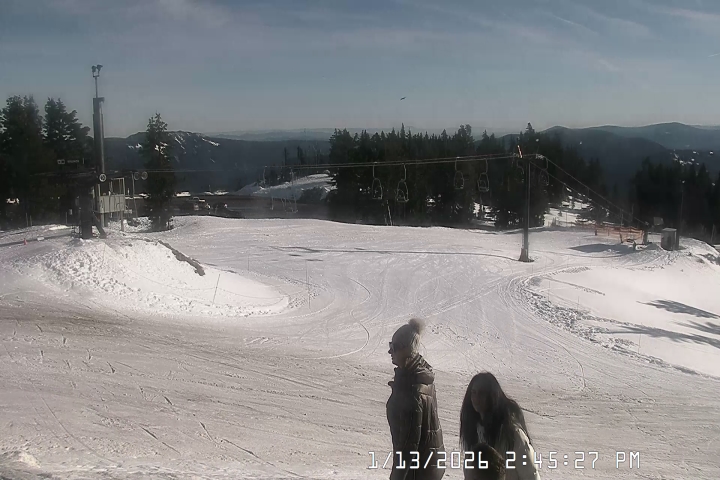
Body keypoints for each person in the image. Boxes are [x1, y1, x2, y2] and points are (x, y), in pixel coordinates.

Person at [387, 318, 445, 480]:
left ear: (406, 349)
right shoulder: (421, 376)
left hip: (417, 472)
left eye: (394, 347)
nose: (390, 351)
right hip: (429, 467)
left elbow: (408, 445)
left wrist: (397, 477)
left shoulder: (413, 388)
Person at [459, 373, 540, 480]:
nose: (476, 398)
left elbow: (530, 475)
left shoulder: (512, 435)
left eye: (481, 393)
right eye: (473, 392)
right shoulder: (473, 432)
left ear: (492, 396)